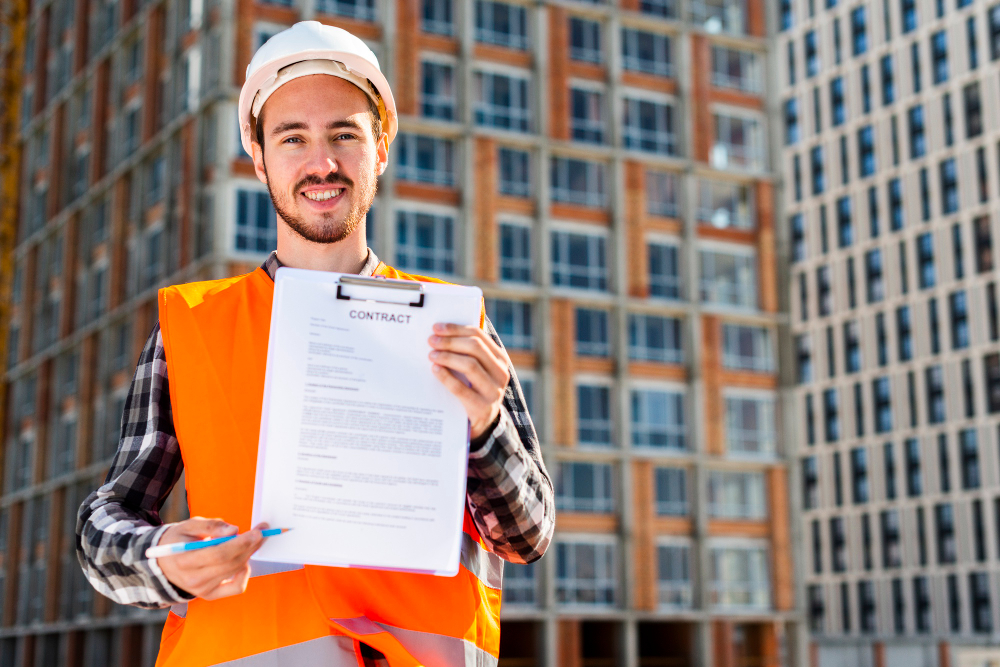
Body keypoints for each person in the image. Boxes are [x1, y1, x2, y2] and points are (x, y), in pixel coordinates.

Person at [75, 21, 554, 667]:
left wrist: (486, 423)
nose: (320, 163)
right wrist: (163, 559)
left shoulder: (454, 324)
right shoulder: (193, 327)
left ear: (381, 148)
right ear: (259, 154)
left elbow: (528, 534)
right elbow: (104, 523)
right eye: (293, 137)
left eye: (344, 135)